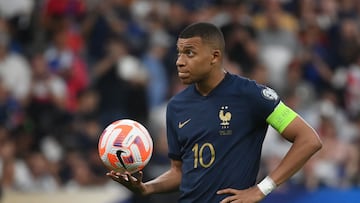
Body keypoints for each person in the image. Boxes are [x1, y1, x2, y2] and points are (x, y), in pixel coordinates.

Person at [107, 22, 322, 203]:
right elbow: (179, 172)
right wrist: (147, 188)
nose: (179, 61)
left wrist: (262, 188)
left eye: (189, 53)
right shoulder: (177, 106)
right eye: (179, 53)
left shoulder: (251, 95)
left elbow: (309, 139)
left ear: (214, 56)